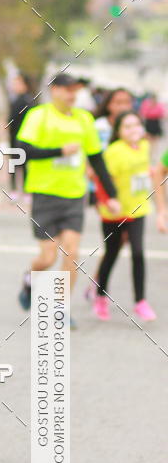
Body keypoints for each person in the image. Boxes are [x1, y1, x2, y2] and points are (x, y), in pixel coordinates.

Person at [15, 72, 121, 326]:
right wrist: (59, 151)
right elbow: (22, 151)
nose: (72, 94)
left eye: (76, 90)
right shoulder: (39, 115)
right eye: (67, 89)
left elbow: (96, 158)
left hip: (74, 195)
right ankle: (30, 278)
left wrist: (111, 195)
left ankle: (61, 309)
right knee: (48, 257)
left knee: (72, 252)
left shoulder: (85, 119)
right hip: (45, 194)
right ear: (54, 90)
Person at [93, 112, 165, 321]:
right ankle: (100, 296)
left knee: (138, 253)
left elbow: (142, 170)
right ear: (118, 131)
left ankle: (140, 301)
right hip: (115, 213)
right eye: (127, 126)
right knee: (111, 254)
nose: (133, 130)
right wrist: (108, 201)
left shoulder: (144, 146)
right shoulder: (113, 152)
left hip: (138, 209)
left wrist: (149, 172)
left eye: (136, 125)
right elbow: (101, 180)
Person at [83, 87, 134, 302]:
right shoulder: (100, 126)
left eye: (126, 102)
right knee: (115, 238)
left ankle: (97, 281)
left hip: (127, 190)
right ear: (109, 104)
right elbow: (91, 156)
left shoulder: (132, 125)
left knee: (121, 239)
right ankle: (98, 285)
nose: (122, 106)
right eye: (118, 102)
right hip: (103, 189)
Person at [8, 73, 36, 196]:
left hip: (20, 136)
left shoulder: (23, 100)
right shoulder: (28, 99)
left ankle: (18, 190)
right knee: (20, 163)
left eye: (17, 83)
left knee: (18, 163)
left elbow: (12, 120)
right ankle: (21, 190)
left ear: (25, 85)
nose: (14, 86)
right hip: (20, 136)